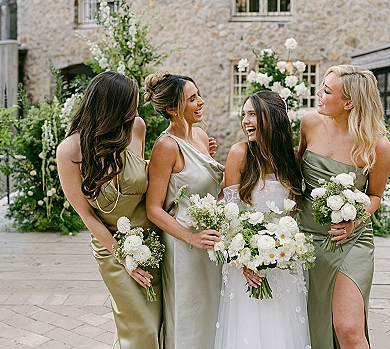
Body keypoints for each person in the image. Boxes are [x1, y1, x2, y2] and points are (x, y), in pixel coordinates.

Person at [56, 71, 162, 349]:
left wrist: (193, 156)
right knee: (143, 327)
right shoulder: (70, 150)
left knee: (157, 323)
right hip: (110, 246)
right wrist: (123, 256)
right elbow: (86, 215)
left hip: (152, 241)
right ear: (112, 106)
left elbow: (144, 172)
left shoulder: (136, 127)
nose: (136, 110)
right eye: (131, 104)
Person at [298, 65, 390, 349]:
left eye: (327, 91)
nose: (319, 94)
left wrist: (354, 221)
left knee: (348, 328)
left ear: (349, 103)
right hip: (307, 236)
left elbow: (374, 195)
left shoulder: (377, 145)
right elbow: (294, 169)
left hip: (350, 238)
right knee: (311, 321)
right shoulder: (309, 123)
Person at [215, 91, 311, 349]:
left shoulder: (292, 157)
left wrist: (283, 250)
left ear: (273, 118)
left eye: (253, 114)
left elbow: (292, 211)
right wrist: (244, 260)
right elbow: (230, 214)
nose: (246, 121)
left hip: (284, 263)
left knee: (283, 334)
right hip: (246, 266)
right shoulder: (240, 153)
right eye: (244, 115)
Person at [144, 70, 224, 349]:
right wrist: (191, 238)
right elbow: (154, 209)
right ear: (172, 109)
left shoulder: (202, 136)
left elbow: (201, 181)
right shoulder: (165, 147)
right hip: (185, 245)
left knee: (214, 315)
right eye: (192, 99)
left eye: (198, 94)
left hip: (212, 240)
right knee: (188, 317)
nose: (201, 101)